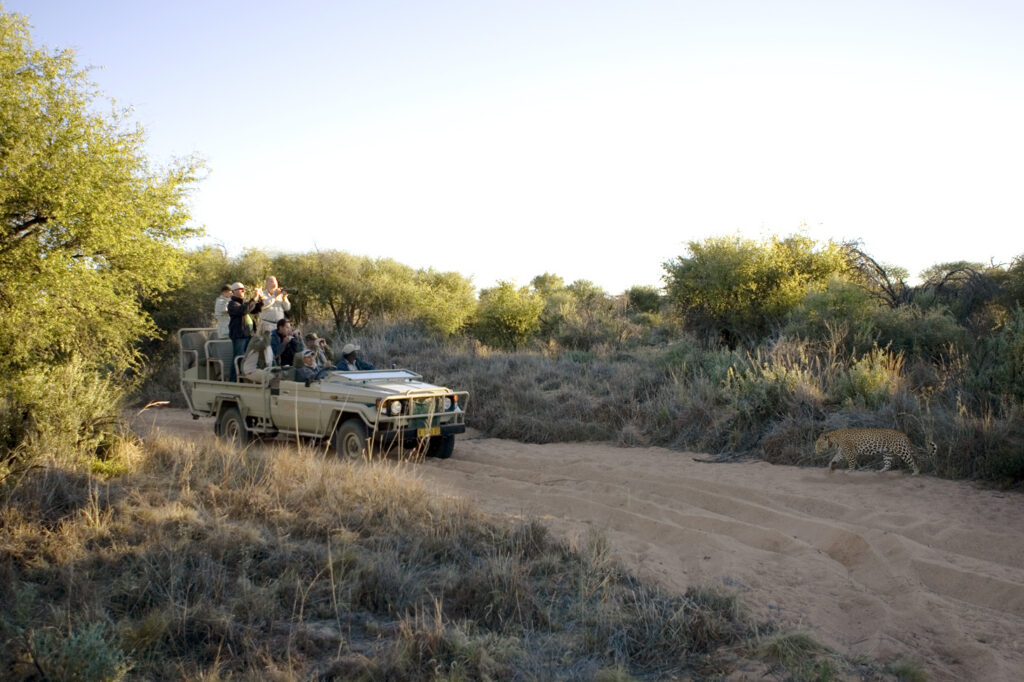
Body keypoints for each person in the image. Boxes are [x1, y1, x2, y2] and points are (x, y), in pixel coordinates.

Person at [228, 281, 263, 381]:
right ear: (233, 292)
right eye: (240, 289)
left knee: (247, 358)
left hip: (247, 335)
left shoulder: (243, 303)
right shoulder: (232, 304)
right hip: (239, 336)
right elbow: (243, 310)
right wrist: (253, 298)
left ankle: (243, 379)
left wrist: (259, 299)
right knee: (238, 358)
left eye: (243, 289)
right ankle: (233, 380)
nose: (243, 291)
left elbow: (255, 310)